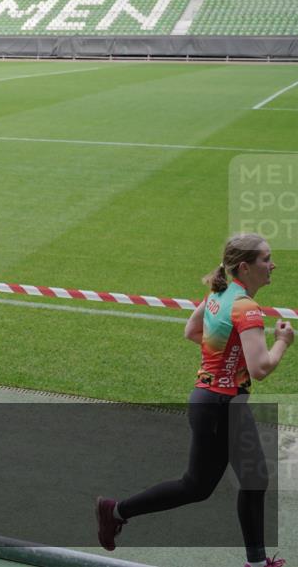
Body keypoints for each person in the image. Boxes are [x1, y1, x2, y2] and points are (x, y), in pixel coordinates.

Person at [96, 233, 292, 567]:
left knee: (199, 486)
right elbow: (261, 368)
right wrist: (283, 341)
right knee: (249, 479)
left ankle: (115, 510)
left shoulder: (219, 294)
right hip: (221, 405)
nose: (273, 264)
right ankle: (256, 563)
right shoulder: (247, 308)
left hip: (209, 401)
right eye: (266, 259)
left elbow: (191, 331)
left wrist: (228, 355)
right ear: (245, 267)